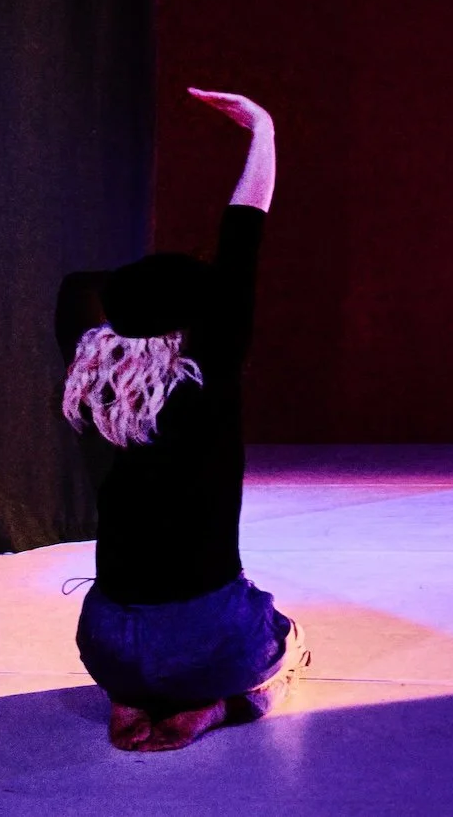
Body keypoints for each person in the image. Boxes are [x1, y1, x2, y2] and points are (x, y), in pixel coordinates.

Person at [54, 88, 306, 752]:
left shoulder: (90, 387)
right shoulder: (210, 377)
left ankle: (132, 699)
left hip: (106, 643)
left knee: (144, 628)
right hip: (206, 637)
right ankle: (216, 706)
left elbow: (77, 291)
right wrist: (263, 131)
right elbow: (243, 233)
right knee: (281, 637)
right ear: (196, 319)